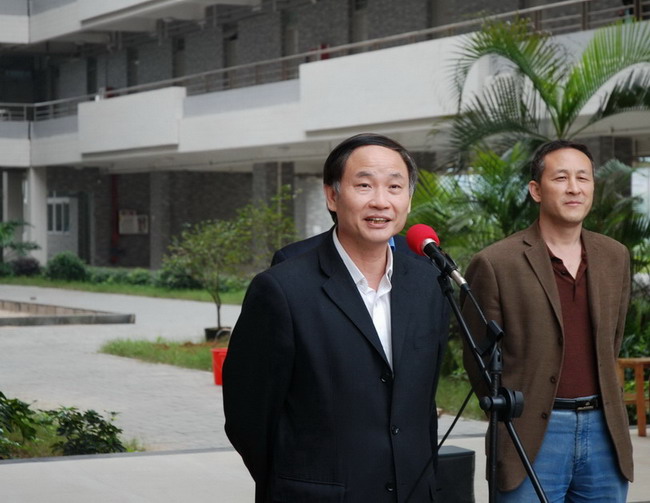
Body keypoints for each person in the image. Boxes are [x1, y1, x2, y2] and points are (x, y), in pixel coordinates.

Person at [223, 133, 450, 502]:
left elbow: (421, 406)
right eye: (364, 185)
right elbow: (248, 416)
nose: (381, 201)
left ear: (408, 200)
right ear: (332, 196)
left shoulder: (429, 283)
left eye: (394, 187)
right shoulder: (282, 289)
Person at [461, 139, 633, 501]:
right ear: (536, 190)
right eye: (561, 178)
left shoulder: (614, 256)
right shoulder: (496, 263)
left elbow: (612, 340)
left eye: (583, 178)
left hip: (604, 432)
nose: (574, 188)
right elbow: (478, 360)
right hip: (530, 433)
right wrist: (513, 412)